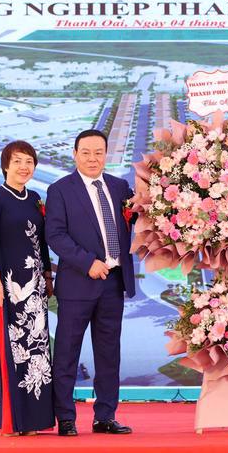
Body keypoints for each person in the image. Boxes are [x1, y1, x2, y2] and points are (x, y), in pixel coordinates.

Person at [45, 129, 136, 437]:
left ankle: (105, 416)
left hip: (113, 284)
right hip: (77, 285)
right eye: (86, 152)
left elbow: (135, 222)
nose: (93, 158)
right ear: (75, 154)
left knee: (109, 354)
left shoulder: (120, 186)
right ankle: (66, 418)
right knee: (67, 354)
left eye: (99, 152)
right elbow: (55, 235)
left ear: (106, 154)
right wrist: (88, 263)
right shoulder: (60, 190)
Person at [0, 140, 54, 436]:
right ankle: (13, 421)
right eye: (18, 161)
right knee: (11, 350)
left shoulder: (35, 198)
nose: (24, 167)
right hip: (8, 287)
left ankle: (34, 420)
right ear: (6, 165)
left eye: (29, 162)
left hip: (35, 287)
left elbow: (43, 240)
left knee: (37, 350)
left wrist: (47, 275)